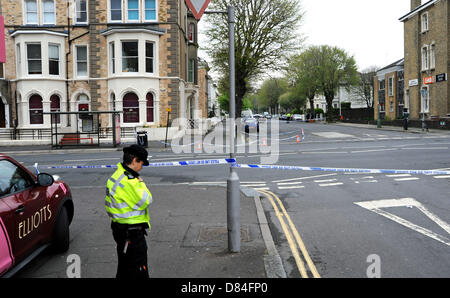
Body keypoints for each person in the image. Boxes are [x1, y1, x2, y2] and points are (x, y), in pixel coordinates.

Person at [105, 144, 152, 278]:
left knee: (124, 267)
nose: (142, 167)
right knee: (139, 270)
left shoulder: (117, 174)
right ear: (134, 160)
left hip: (119, 228)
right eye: (142, 163)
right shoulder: (130, 181)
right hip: (132, 233)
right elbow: (147, 200)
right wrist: (141, 183)